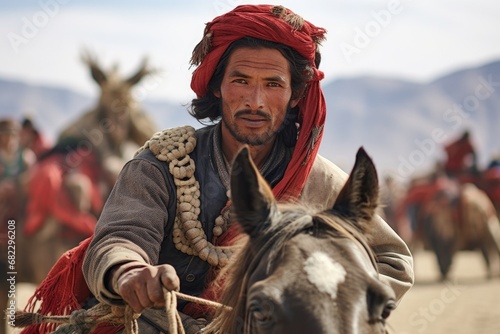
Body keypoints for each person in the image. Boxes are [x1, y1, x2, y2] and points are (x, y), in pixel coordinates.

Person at [26, 5, 414, 333]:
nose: (255, 101)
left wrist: (330, 300)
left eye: (273, 84)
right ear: (217, 86)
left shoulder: (322, 182)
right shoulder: (162, 164)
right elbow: (118, 239)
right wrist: (129, 274)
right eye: (241, 81)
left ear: (296, 95)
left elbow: (393, 261)